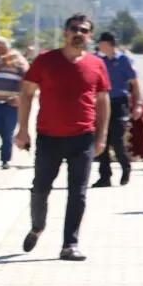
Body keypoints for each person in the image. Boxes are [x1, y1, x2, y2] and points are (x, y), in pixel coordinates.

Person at [16, 15, 110, 261]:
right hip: (49, 137)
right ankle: (38, 226)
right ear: (65, 33)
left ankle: (70, 244)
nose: (79, 33)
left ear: (90, 36)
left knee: (78, 192)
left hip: (83, 138)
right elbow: (27, 94)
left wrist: (102, 137)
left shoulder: (96, 65)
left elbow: (102, 101)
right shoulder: (46, 61)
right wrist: (23, 129)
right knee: (40, 188)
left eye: (85, 30)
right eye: (74, 29)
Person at [93, 31, 143, 187]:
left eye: (101, 43)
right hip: (103, 102)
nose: (99, 46)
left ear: (108, 44)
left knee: (117, 139)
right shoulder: (100, 61)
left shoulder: (123, 60)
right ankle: (104, 176)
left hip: (120, 103)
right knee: (103, 139)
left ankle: (125, 167)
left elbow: (135, 82)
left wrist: (139, 104)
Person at [0, 39, 28, 170]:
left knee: (7, 133)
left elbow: (25, 80)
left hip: (9, 104)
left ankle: (5, 160)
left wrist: (19, 96)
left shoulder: (18, 61)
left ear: (3, 46)